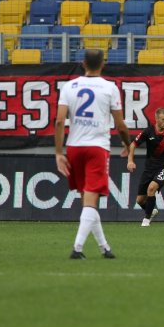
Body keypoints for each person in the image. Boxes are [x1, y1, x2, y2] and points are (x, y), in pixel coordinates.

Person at [54, 49, 132, 259]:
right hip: (97, 148)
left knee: (87, 202)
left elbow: (60, 121)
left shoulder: (69, 86)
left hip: (74, 148)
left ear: (83, 63)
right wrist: (128, 144)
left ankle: (104, 248)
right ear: (103, 64)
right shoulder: (109, 88)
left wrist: (58, 152)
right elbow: (120, 124)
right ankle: (77, 249)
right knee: (90, 202)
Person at [127, 107, 164, 227]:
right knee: (140, 200)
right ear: (156, 119)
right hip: (149, 168)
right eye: (163, 119)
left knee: (152, 188)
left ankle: (146, 220)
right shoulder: (148, 132)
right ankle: (151, 211)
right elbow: (133, 145)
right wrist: (130, 160)